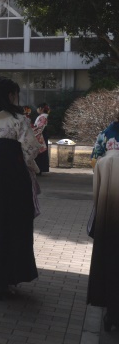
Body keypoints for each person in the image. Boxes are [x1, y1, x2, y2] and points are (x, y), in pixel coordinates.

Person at [0, 77, 42, 299]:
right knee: (16, 222)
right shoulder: (18, 120)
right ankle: (13, 274)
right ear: (10, 95)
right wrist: (32, 168)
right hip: (13, 177)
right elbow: (31, 149)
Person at [88, 109, 119, 332]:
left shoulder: (107, 133)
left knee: (111, 253)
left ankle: (112, 310)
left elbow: (95, 160)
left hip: (111, 198)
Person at [34, 103, 51, 174]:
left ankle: (39, 169)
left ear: (41, 108)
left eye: (38, 108)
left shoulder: (43, 117)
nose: (37, 109)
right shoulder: (43, 116)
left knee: (40, 152)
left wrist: (33, 130)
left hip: (41, 135)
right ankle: (40, 168)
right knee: (41, 151)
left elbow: (40, 127)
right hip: (41, 134)